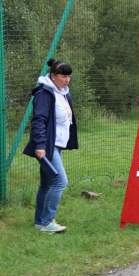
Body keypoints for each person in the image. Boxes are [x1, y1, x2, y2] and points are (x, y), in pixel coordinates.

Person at [23, 58, 78, 233]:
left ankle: (40, 222)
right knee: (60, 182)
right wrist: (40, 146)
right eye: (63, 76)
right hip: (47, 145)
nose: (67, 79)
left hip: (57, 144)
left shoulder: (63, 92)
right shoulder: (44, 93)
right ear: (53, 76)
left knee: (47, 184)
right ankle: (47, 222)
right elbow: (39, 121)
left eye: (69, 76)